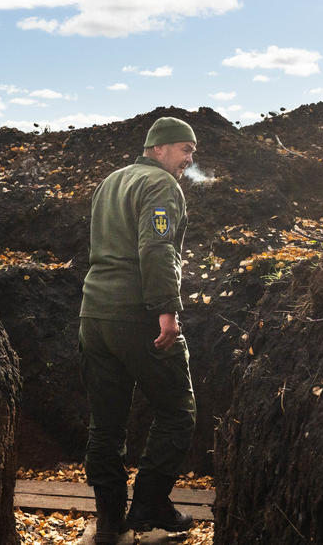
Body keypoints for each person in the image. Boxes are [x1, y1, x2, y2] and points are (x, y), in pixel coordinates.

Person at [79, 117, 198, 543]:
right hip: (137, 315)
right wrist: (167, 309)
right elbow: (157, 246)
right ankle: (150, 503)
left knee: (106, 423)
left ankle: (109, 519)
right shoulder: (162, 186)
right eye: (185, 149)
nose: (189, 159)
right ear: (161, 148)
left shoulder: (112, 181)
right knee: (178, 412)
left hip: (93, 316)